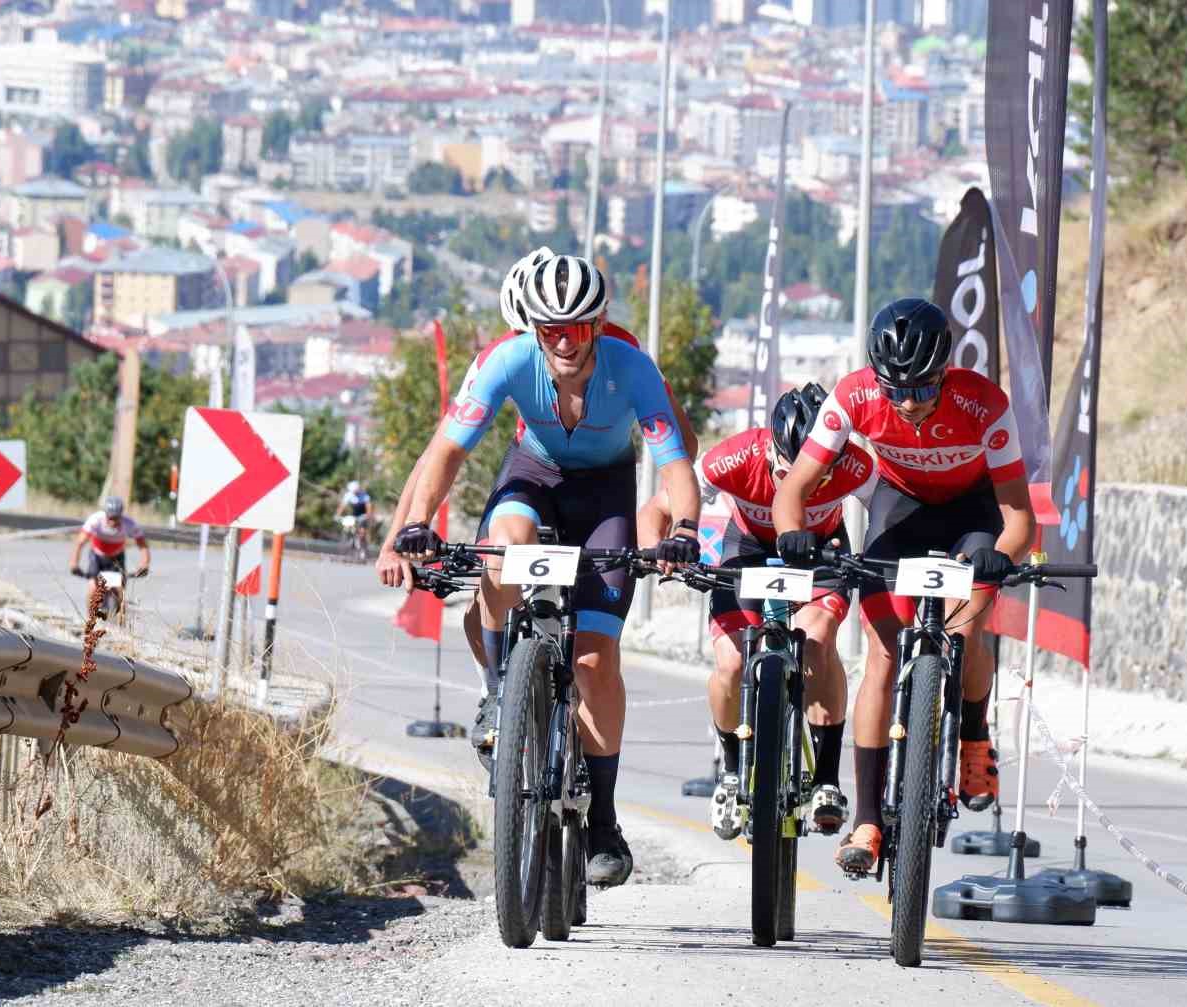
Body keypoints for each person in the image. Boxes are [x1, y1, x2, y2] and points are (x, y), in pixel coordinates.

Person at [393, 253, 703, 888]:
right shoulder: (506, 360)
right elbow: (447, 450)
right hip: (531, 474)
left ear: (599, 324)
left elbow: (674, 463)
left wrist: (684, 530)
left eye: (579, 328)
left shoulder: (633, 367)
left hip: (604, 493)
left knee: (594, 659)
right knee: (505, 545)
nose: (565, 341)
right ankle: (502, 691)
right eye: (552, 329)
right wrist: (418, 522)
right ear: (533, 329)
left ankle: (604, 824)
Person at [772, 298, 1037, 878]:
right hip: (901, 511)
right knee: (883, 655)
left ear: (945, 372)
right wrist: (792, 535)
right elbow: (793, 488)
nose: (910, 403)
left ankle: (972, 736)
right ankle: (866, 817)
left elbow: (1020, 517)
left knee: (964, 626)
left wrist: (1001, 555)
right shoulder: (853, 396)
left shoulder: (984, 404)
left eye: (922, 388)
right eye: (897, 389)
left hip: (972, 514)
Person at [637, 383, 874, 839]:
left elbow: (893, 507)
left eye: (819, 478)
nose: (805, 485)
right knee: (729, 664)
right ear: (769, 453)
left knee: (818, 642)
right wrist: (656, 550)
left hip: (820, 551)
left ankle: (826, 776)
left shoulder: (851, 462)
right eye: (789, 475)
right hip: (745, 550)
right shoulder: (734, 457)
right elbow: (658, 510)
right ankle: (729, 769)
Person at [69, 496, 151, 611]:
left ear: (121, 516)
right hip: (97, 556)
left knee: (119, 590)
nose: (112, 522)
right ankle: (89, 621)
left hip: (116, 558)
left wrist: (144, 564)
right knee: (92, 587)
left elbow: (143, 545)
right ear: (105, 514)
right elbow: (79, 543)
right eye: (110, 518)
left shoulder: (129, 524)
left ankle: (120, 622)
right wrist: (74, 563)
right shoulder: (95, 520)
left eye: (116, 518)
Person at [336, 480, 373, 552]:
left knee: (362, 531)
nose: (354, 492)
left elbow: (368, 507)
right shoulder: (349, 495)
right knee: (348, 525)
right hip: (354, 515)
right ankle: (348, 540)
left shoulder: (364, 495)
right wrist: (337, 515)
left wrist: (368, 516)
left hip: (363, 515)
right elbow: (342, 506)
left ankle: (363, 547)